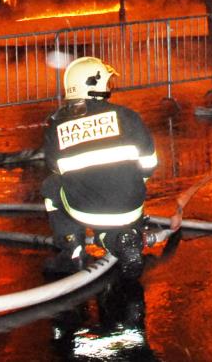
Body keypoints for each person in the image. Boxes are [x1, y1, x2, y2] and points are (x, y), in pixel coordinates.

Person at [41, 56, 157, 276]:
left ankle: (73, 252)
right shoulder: (127, 116)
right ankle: (122, 239)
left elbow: (56, 168)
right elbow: (149, 164)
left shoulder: (56, 126)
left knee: (51, 186)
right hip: (131, 206)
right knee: (113, 209)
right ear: (96, 84)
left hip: (86, 210)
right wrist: (129, 183)